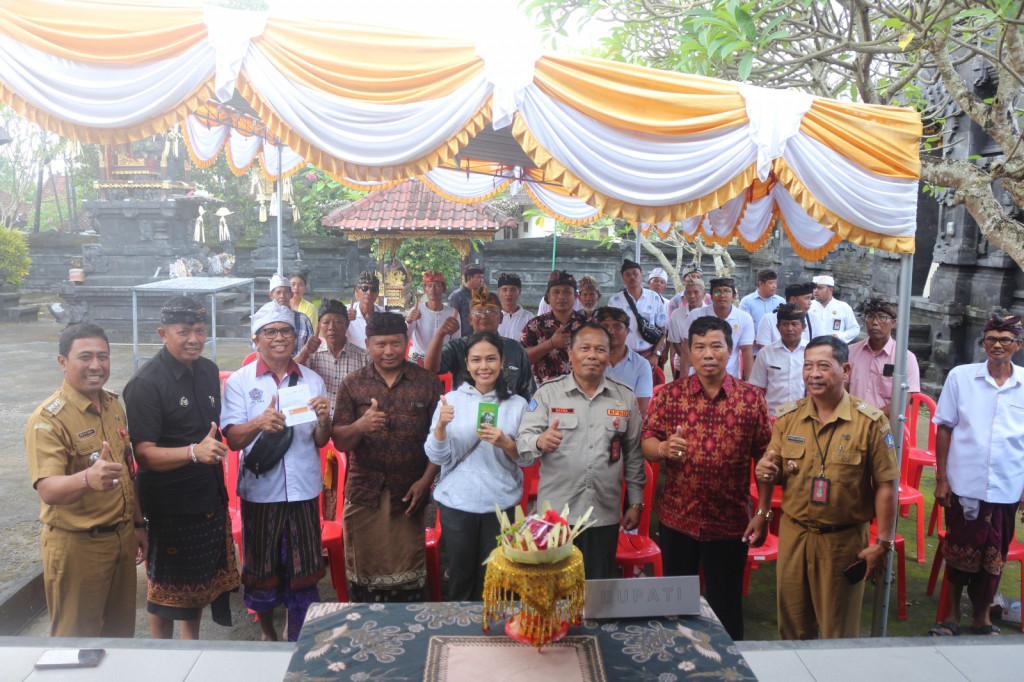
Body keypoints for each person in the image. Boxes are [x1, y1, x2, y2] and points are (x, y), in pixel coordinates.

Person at [755, 336, 899, 640]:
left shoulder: (869, 422)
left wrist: (883, 543)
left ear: (845, 370)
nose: (814, 373)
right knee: (792, 628)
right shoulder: (788, 418)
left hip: (843, 541)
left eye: (824, 365)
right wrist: (766, 479)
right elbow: (773, 469)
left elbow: (886, 484)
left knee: (838, 634)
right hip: (794, 535)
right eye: (808, 366)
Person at [642, 316, 773, 641]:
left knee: (725, 607)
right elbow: (647, 442)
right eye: (699, 347)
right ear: (688, 350)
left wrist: (763, 512)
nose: (708, 353)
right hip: (677, 519)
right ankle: (679, 664)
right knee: (677, 605)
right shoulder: (671, 395)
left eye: (716, 345)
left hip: (730, 523)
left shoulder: (751, 399)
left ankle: (729, 669)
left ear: (731, 351)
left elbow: (765, 459)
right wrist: (662, 448)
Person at [123, 297, 239, 639]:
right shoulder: (146, 383)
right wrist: (192, 452)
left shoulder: (206, 370)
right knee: (164, 593)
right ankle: (165, 657)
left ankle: (191, 649)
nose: (194, 339)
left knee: (198, 588)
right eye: (183, 331)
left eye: (200, 331)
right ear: (163, 333)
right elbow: (142, 454)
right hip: (169, 506)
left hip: (208, 496)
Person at [25, 323, 148, 637]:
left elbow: (127, 469)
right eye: (86, 357)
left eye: (103, 357)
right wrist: (86, 479)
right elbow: (48, 489)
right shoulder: (49, 419)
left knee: (120, 636)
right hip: (79, 546)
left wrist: (137, 524)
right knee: (75, 642)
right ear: (63, 362)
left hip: (121, 540)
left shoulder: (112, 405)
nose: (97, 365)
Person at [221, 302, 332, 641]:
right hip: (261, 492)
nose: (280, 338)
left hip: (302, 489)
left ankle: (296, 635)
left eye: (286, 331)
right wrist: (258, 422)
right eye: (271, 332)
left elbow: (320, 439)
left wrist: (325, 419)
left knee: (304, 570)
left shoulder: (311, 380)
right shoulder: (240, 382)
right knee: (262, 570)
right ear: (257, 339)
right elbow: (234, 439)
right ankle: (269, 633)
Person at [516, 323, 646, 579]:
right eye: (584, 348)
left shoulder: (625, 398)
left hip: (603, 513)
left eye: (600, 349)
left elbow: (633, 453)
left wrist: (636, 502)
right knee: (553, 589)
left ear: (609, 357)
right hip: (556, 514)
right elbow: (522, 443)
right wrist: (540, 441)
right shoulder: (547, 394)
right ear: (570, 354)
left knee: (596, 589)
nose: (592, 355)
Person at [332, 312, 442, 602]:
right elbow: (340, 441)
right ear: (368, 344)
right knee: (363, 567)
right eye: (381, 344)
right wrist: (360, 426)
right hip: (363, 490)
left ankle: (408, 632)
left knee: (408, 568)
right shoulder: (352, 384)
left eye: (396, 343)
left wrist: (426, 482)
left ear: (406, 343)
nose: (389, 350)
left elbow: (440, 441)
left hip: (409, 491)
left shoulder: (427, 383)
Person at [929, 312, 1024, 637]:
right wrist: (941, 479)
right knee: (958, 551)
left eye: (1005, 340)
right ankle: (951, 615)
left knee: (995, 557)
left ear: (1018, 345)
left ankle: (982, 617)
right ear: (983, 343)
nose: (997, 345)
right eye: (991, 340)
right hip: (964, 484)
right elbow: (944, 428)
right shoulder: (961, 377)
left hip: (1007, 488)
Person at [425, 331, 527, 600]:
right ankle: (461, 634)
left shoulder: (517, 405)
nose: (484, 366)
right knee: (460, 575)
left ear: (502, 361)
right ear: (467, 364)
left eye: (491, 359)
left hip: (502, 505)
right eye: (477, 360)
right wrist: (440, 427)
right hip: (458, 504)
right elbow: (437, 456)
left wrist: (506, 443)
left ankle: (494, 636)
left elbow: (528, 458)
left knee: (497, 577)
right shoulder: (450, 401)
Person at [295, 299, 371, 520]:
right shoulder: (312, 355)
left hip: (348, 428)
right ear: (319, 326)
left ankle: (346, 519)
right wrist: (305, 352)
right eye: (326, 322)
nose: (331, 328)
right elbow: (291, 376)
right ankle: (323, 520)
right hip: (318, 428)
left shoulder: (362, 356)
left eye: (338, 322)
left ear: (347, 325)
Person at [425, 286, 536, 400]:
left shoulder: (515, 349)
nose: (484, 316)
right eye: (478, 312)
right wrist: (440, 335)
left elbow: (529, 392)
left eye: (490, 311)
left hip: (507, 411)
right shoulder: (457, 346)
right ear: (470, 319)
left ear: (501, 318)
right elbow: (430, 369)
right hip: (466, 411)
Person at [670, 277, 754, 380]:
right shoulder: (696, 315)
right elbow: (687, 350)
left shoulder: (744, 318)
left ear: (733, 297)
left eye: (727, 292)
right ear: (711, 296)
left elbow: (746, 351)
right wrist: (683, 381)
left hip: (730, 377)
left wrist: (749, 383)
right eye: (717, 292)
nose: (722, 295)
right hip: (698, 377)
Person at [846, 298, 920, 413]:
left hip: (885, 425)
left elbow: (902, 401)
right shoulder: (851, 352)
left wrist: (871, 418)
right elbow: (842, 390)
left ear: (893, 323)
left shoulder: (905, 358)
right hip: (852, 422)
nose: (874, 322)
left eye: (882, 317)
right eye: (870, 316)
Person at [521, 270, 589, 384]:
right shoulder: (535, 325)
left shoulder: (587, 326)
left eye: (567, 292)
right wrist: (550, 344)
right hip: (543, 391)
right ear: (548, 296)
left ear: (576, 296)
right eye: (556, 292)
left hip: (579, 390)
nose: (561, 297)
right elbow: (522, 359)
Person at [748, 303, 809, 415]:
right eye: (785, 324)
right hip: (773, 415)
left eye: (794, 324)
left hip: (804, 415)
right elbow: (757, 388)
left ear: (803, 327)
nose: (790, 328)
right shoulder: (766, 353)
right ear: (778, 327)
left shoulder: (811, 352)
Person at [607, 259, 669, 367]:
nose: (632, 277)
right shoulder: (615, 301)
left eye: (635, 273)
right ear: (623, 278)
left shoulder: (654, 297)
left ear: (641, 275)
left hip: (649, 355)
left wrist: (656, 354)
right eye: (628, 275)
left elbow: (663, 329)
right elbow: (610, 331)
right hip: (623, 355)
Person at [597, 306, 654, 416]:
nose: (611, 331)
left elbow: (641, 410)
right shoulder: (590, 361)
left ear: (627, 331)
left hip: (626, 425)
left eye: (617, 326)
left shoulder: (641, 365)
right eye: (605, 326)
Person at [407, 270, 460, 364]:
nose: (432, 289)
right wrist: (409, 322)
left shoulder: (452, 313)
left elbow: (456, 342)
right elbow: (405, 338)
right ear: (424, 290)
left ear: (444, 289)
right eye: (429, 286)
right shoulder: (416, 311)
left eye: (437, 285)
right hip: (419, 361)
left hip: (443, 361)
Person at [756, 282, 824, 350]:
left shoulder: (814, 318)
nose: (810, 302)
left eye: (810, 299)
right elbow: (764, 350)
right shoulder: (768, 319)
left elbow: (820, 346)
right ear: (793, 300)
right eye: (806, 298)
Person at [269, 273, 314, 354]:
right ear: (271, 296)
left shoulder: (303, 319)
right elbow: (258, 350)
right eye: (278, 292)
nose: (282, 296)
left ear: (291, 295)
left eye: (286, 292)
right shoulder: (264, 319)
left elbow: (311, 350)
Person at [809, 274, 860, 343]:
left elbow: (854, 329)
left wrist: (839, 336)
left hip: (835, 348)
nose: (815, 291)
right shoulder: (809, 306)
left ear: (830, 290)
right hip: (812, 347)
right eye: (814, 288)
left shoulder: (843, 307)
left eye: (820, 288)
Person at [347, 271, 383, 350]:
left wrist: (409, 322)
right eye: (364, 288)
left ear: (377, 293)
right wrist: (344, 320)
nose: (369, 293)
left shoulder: (384, 316)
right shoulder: (345, 312)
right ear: (356, 292)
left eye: (373, 289)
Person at [448, 263, 485, 336]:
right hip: (463, 338)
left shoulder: (481, 295)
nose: (481, 280)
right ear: (469, 278)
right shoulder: (457, 295)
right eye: (478, 277)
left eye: (482, 278)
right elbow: (452, 319)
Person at [496, 272, 533, 341]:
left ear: (519, 291)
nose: (508, 294)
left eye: (513, 290)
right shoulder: (493, 316)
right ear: (498, 291)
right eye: (504, 290)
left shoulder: (529, 317)